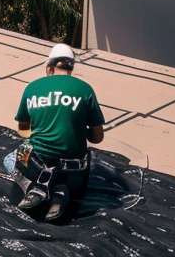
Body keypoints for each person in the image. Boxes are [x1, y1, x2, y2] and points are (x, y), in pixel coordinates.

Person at [8, 44, 105, 224]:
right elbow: (97, 137)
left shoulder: (33, 88)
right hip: (75, 171)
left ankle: (35, 186)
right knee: (77, 162)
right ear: (71, 68)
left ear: (49, 68)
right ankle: (60, 190)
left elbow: (22, 129)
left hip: (37, 165)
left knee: (11, 157)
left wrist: (40, 129)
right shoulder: (85, 89)